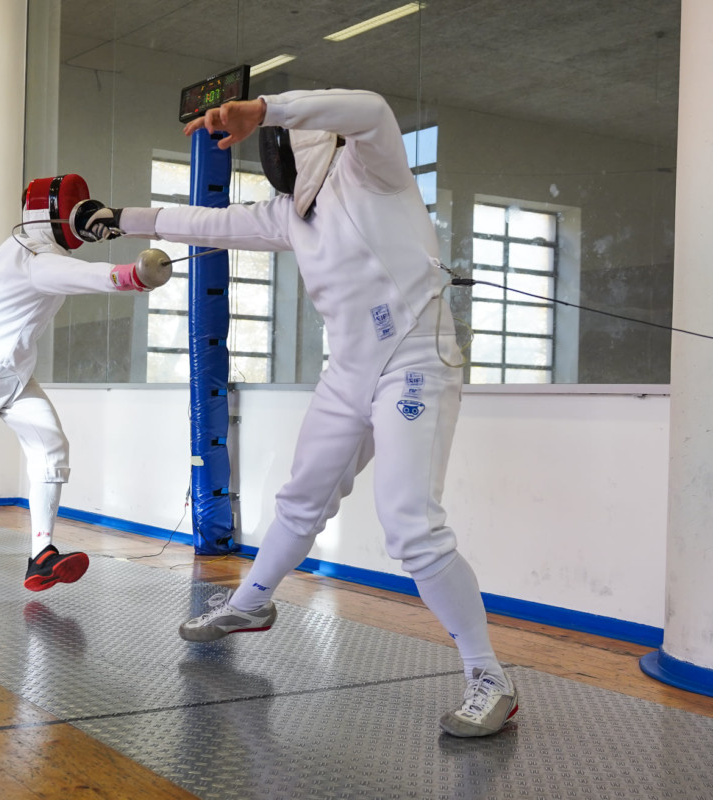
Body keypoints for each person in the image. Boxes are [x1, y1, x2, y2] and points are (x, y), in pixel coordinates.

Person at [75, 89, 518, 738]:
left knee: (411, 528)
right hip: (348, 373)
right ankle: (250, 604)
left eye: (276, 139)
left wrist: (267, 107)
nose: (273, 158)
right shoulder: (290, 215)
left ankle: (490, 677)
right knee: (300, 500)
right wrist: (118, 218)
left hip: (415, 362)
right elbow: (206, 223)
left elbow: (371, 109)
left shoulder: (373, 170)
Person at [0, 174, 172, 592]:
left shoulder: (16, 249)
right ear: (56, 216)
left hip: (17, 375)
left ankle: (41, 556)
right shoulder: (40, 263)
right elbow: (92, 276)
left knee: (51, 448)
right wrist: (132, 275)